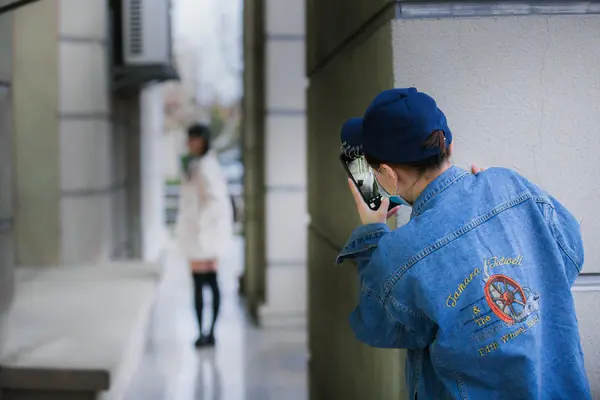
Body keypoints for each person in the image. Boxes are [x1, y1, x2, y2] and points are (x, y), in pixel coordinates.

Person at [336, 88, 590, 399]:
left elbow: (376, 325)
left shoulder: (400, 252)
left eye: (374, 170)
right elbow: (570, 252)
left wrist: (372, 232)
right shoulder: (510, 184)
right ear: (449, 146)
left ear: (387, 174)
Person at [176, 123, 234, 348]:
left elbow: (215, 199)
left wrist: (201, 224)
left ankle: (209, 333)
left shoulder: (206, 165)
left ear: (204, 140)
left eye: (195, 139)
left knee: (207, 282)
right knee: (203, 283)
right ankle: (204, 332)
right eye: (190, 138)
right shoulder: (198, 163)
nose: (191, 143)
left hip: (205, 236)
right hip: (200, 235)